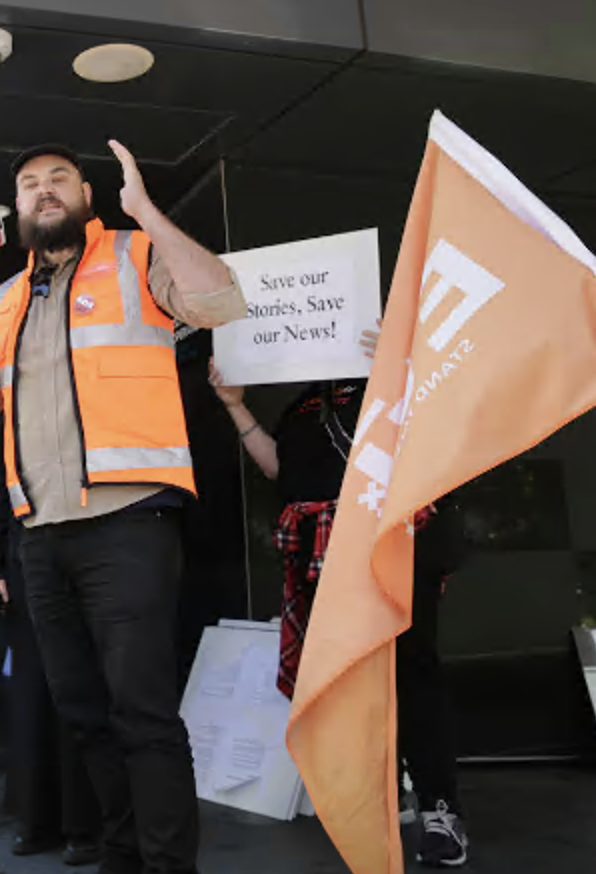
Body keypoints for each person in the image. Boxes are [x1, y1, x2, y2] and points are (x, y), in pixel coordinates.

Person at [0, 141, 245, 874]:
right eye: (28, 185)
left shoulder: (135, 254)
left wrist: (147, 212)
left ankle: (170, 865)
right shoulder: (8, 294)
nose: (43, 192)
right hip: (40, 534)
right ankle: (121, 855)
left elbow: (220, 298)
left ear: (86, 195)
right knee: (83, 713)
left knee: (142, 711)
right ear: (16, 209)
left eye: (57, 180)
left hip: (129, 522)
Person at [208, 352, 471, 868]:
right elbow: (278, 468)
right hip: (320, 553)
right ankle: (382, 799)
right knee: (351, 681)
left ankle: (440, 810)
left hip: (392, 540)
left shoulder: (403, 380)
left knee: (411, 672)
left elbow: (443, 437)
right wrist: (234, 406)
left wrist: (400, 363)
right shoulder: (305, 402)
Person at [0, 418, 102, 863]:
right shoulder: (10, 415)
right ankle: (36, 820)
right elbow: (0, 492)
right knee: (32, 696)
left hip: (91, 556)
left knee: (78, 691)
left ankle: (84, 825)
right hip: (25, 562)